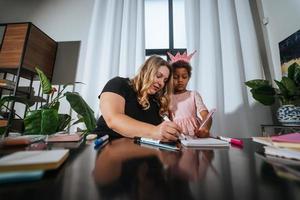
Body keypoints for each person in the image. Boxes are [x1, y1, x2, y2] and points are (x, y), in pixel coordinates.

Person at [93, 55, 181, 141]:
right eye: (158, 76)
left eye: (165, 80)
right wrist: (155, 131)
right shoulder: (119, 84)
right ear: (146, 71)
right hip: (106, 147)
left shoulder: (157, 102)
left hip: (139, 151)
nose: (161, 83)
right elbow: (113, 120)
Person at [167, 51, 212, 138]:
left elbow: (206, 115)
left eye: (184, 77)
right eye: (176, 77)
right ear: (170, 78)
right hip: (177, 134)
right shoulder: (168, 97)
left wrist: (205, 128)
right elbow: (166, 119)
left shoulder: (193, 95)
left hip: (195, 133)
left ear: (189, 78)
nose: (180, 80)